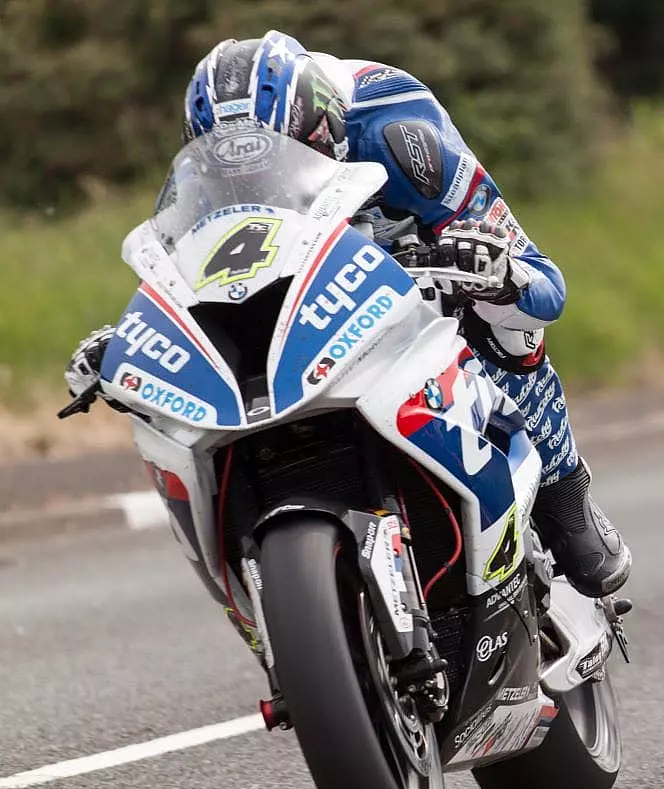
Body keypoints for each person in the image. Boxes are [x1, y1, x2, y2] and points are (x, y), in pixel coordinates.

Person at [64, 30, 631, 599]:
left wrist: (497, 270)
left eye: (275, 154)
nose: (249, 176)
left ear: (323, 127)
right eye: (230, 165)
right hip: (297, 289)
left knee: (508, 321)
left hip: (406, 258)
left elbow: (542, 283)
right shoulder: (200, 177)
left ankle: (563, 494)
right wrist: (133, 340)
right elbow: (184, 274)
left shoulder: (398, 133)